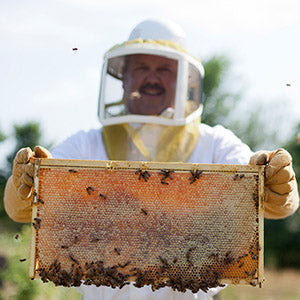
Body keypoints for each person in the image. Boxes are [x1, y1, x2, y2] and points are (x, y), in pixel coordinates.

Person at [3, 18, 299, 300]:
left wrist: (272, 180)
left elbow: (265, 193)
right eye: (141, 67)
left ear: (185, 78)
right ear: (123, 77)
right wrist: (26, 181)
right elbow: (24, 206)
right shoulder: (85, 144)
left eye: (165, 69)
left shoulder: (216, 143)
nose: (152, 77)